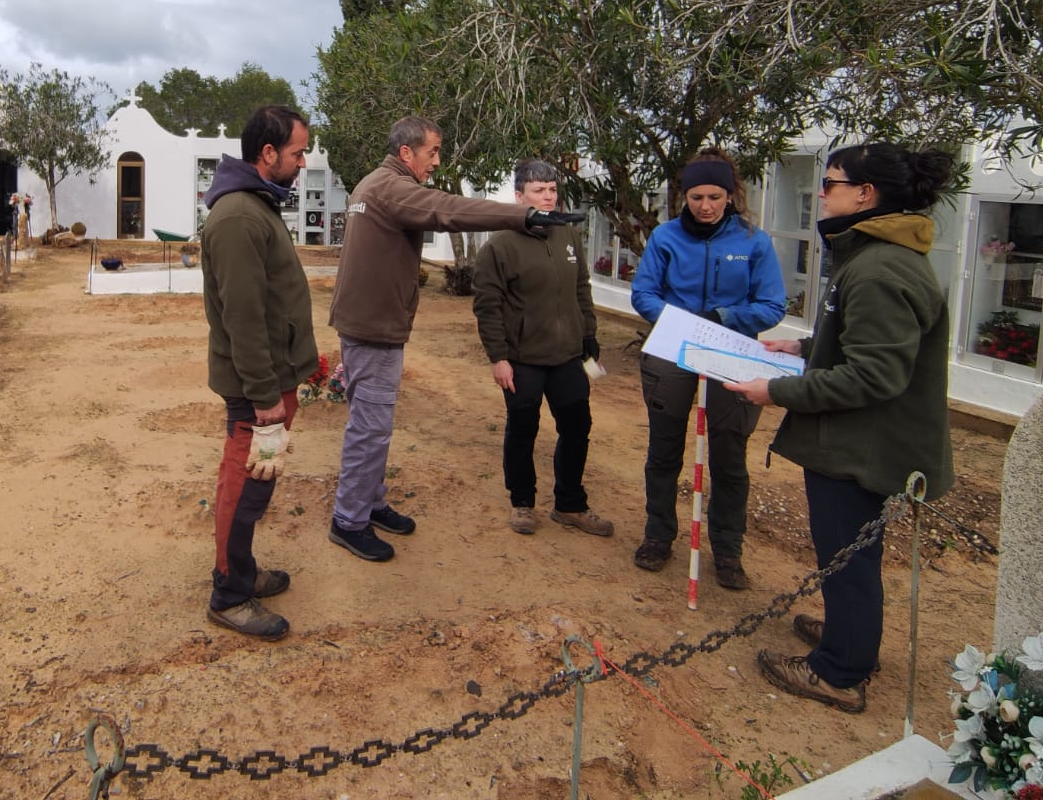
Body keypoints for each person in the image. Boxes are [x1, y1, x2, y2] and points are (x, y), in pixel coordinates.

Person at [727, 142, 955, 714]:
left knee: (848, 557)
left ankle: (839, 672)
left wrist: (775, 389)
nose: (820, 195)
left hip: (861, 447)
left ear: (865, 195)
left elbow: (876, 376)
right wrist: (803, 347)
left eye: (828, 184)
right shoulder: (878, 256)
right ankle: (849, 639)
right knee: (851, 555)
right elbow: (863, 343)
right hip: (860, 442)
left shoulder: (880, 268)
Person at [328, 116, 583, 561]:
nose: (437, 162)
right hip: (373, 329)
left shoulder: (374, 184)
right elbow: (449, 210)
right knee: (370, 429)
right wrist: (523, 216)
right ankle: (349, 520)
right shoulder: (390, 187)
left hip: (371, 323)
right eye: (433, 152)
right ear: (407, 153)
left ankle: (369, 503)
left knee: (375, 427)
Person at [629, 149, 786, 589]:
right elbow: (643, 293)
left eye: (715, 196)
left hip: (733, 357)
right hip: (672, 355)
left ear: (730, 195)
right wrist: (677, 321)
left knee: (729, 460)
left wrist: (724, 318)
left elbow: (772, 304)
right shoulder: (665, 237)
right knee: (663, 454)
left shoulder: (754, 241)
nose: (705, 206)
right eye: (696, 196)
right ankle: (658, 535)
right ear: (684, 196)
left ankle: (728, 551)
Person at [201, 105, 318, 640]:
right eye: (298, 152)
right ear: (267, 154)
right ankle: (229, 593)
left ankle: (241, 569)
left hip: (271, 380)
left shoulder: (256, 206)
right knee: (245, 486)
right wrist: (266, 395)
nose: (303, 161)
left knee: (256, 483)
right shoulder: (240, 218)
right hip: (258, 388)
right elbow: (243, 317)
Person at [472, 159, 613, 538]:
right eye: (539, 191)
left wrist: (589, 336)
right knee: (522, 430)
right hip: (523, 360)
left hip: (568, 356)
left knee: (577, 427)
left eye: (552, 190)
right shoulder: (501, 246)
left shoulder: (567, 236)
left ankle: (570, 505)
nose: (548, 197)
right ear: (520, 197)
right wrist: (498, 357)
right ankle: (523, 502)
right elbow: (488, 306)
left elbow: (581, 287)